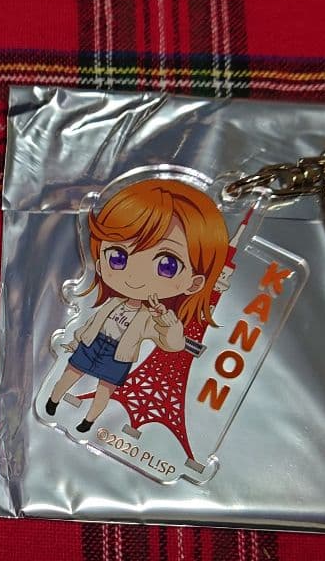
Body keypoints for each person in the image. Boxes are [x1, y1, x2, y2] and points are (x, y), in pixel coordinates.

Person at [45, 179, 229, 433]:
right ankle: (53, 399)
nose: (134, 276)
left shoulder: (151, 317)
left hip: (119, 354)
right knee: (70, 372)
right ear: (100, 261)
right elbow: (93, 322)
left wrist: (169, 323)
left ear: (194, 283)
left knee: (105, 389)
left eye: (167, 265)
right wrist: (77, 339)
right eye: (118, 257)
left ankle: (89, 421)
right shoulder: (112, 302)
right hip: (93, 343)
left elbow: (172, 345)